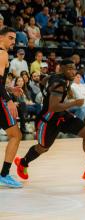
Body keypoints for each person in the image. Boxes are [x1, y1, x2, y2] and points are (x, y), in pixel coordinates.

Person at [14, 59, 85, 185]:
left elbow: (42, 80)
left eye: (74, 68)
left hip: (61, 116)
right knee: (43, 148)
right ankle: (23, 162)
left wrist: (45, 89)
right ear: (61, 69)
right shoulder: (59, 83)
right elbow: (53, 107)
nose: (73, 71)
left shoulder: (54, 77)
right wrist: (74, 102)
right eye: (69, 68)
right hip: (48, 120)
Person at [0, 27, 23, 188]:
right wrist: (8, 99)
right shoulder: (2, 53)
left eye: (14, 38)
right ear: (1, 38)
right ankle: (4, 174)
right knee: (16, 135)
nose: (13, 41)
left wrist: (10, 89)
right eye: (10, 38)